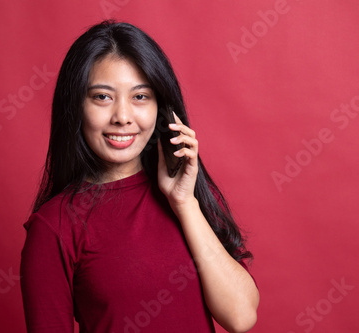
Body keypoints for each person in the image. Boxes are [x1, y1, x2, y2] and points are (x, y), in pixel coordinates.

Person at [20, 20, 259, 333]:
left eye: (140, 97)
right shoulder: (56, 226)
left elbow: (240, 318)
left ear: (161, 107)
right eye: (102, 97)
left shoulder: (189, 194)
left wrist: (184, 202)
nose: (122, 117)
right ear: (76, 106)